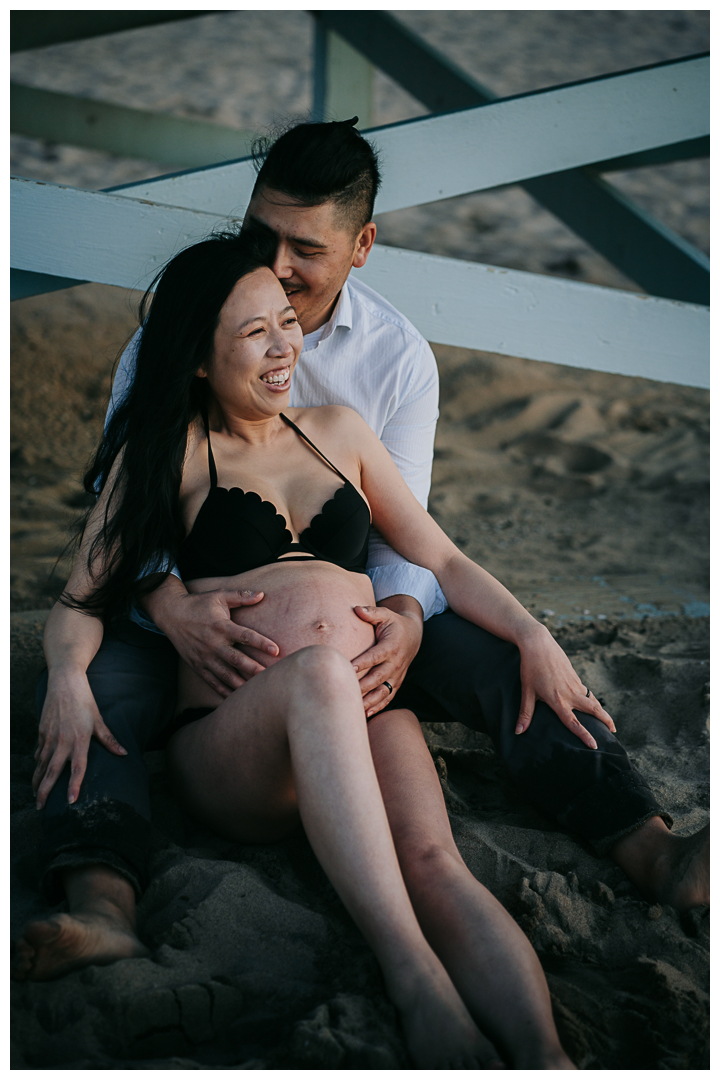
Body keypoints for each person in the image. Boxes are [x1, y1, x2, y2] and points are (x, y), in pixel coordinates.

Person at [26, 119, 708, 928]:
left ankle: (649, 849)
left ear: (362, 246)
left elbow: (409, 537)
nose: (275, 267)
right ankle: (100, 904)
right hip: (198, 626)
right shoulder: (182, 330)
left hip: (362, 629)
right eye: (260, 234)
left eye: (305, 249)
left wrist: (410, 624)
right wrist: (172, 608)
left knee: (507, 666)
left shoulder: (396, 359)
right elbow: (124, 508)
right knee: (92, 694)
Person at [16, 227, 580, 1069]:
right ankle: (414, 981)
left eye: (287, 322)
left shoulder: (339, 430)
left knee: (435, 861)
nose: (285, 347)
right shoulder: (165, 453)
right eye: (255, 333)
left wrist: (533, 633)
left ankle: (546, 1058)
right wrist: (65, 675)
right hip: (235, 745)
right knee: (318, 672)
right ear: (201, 359)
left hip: (365, 712)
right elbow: (82, 599)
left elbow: (443, 559)